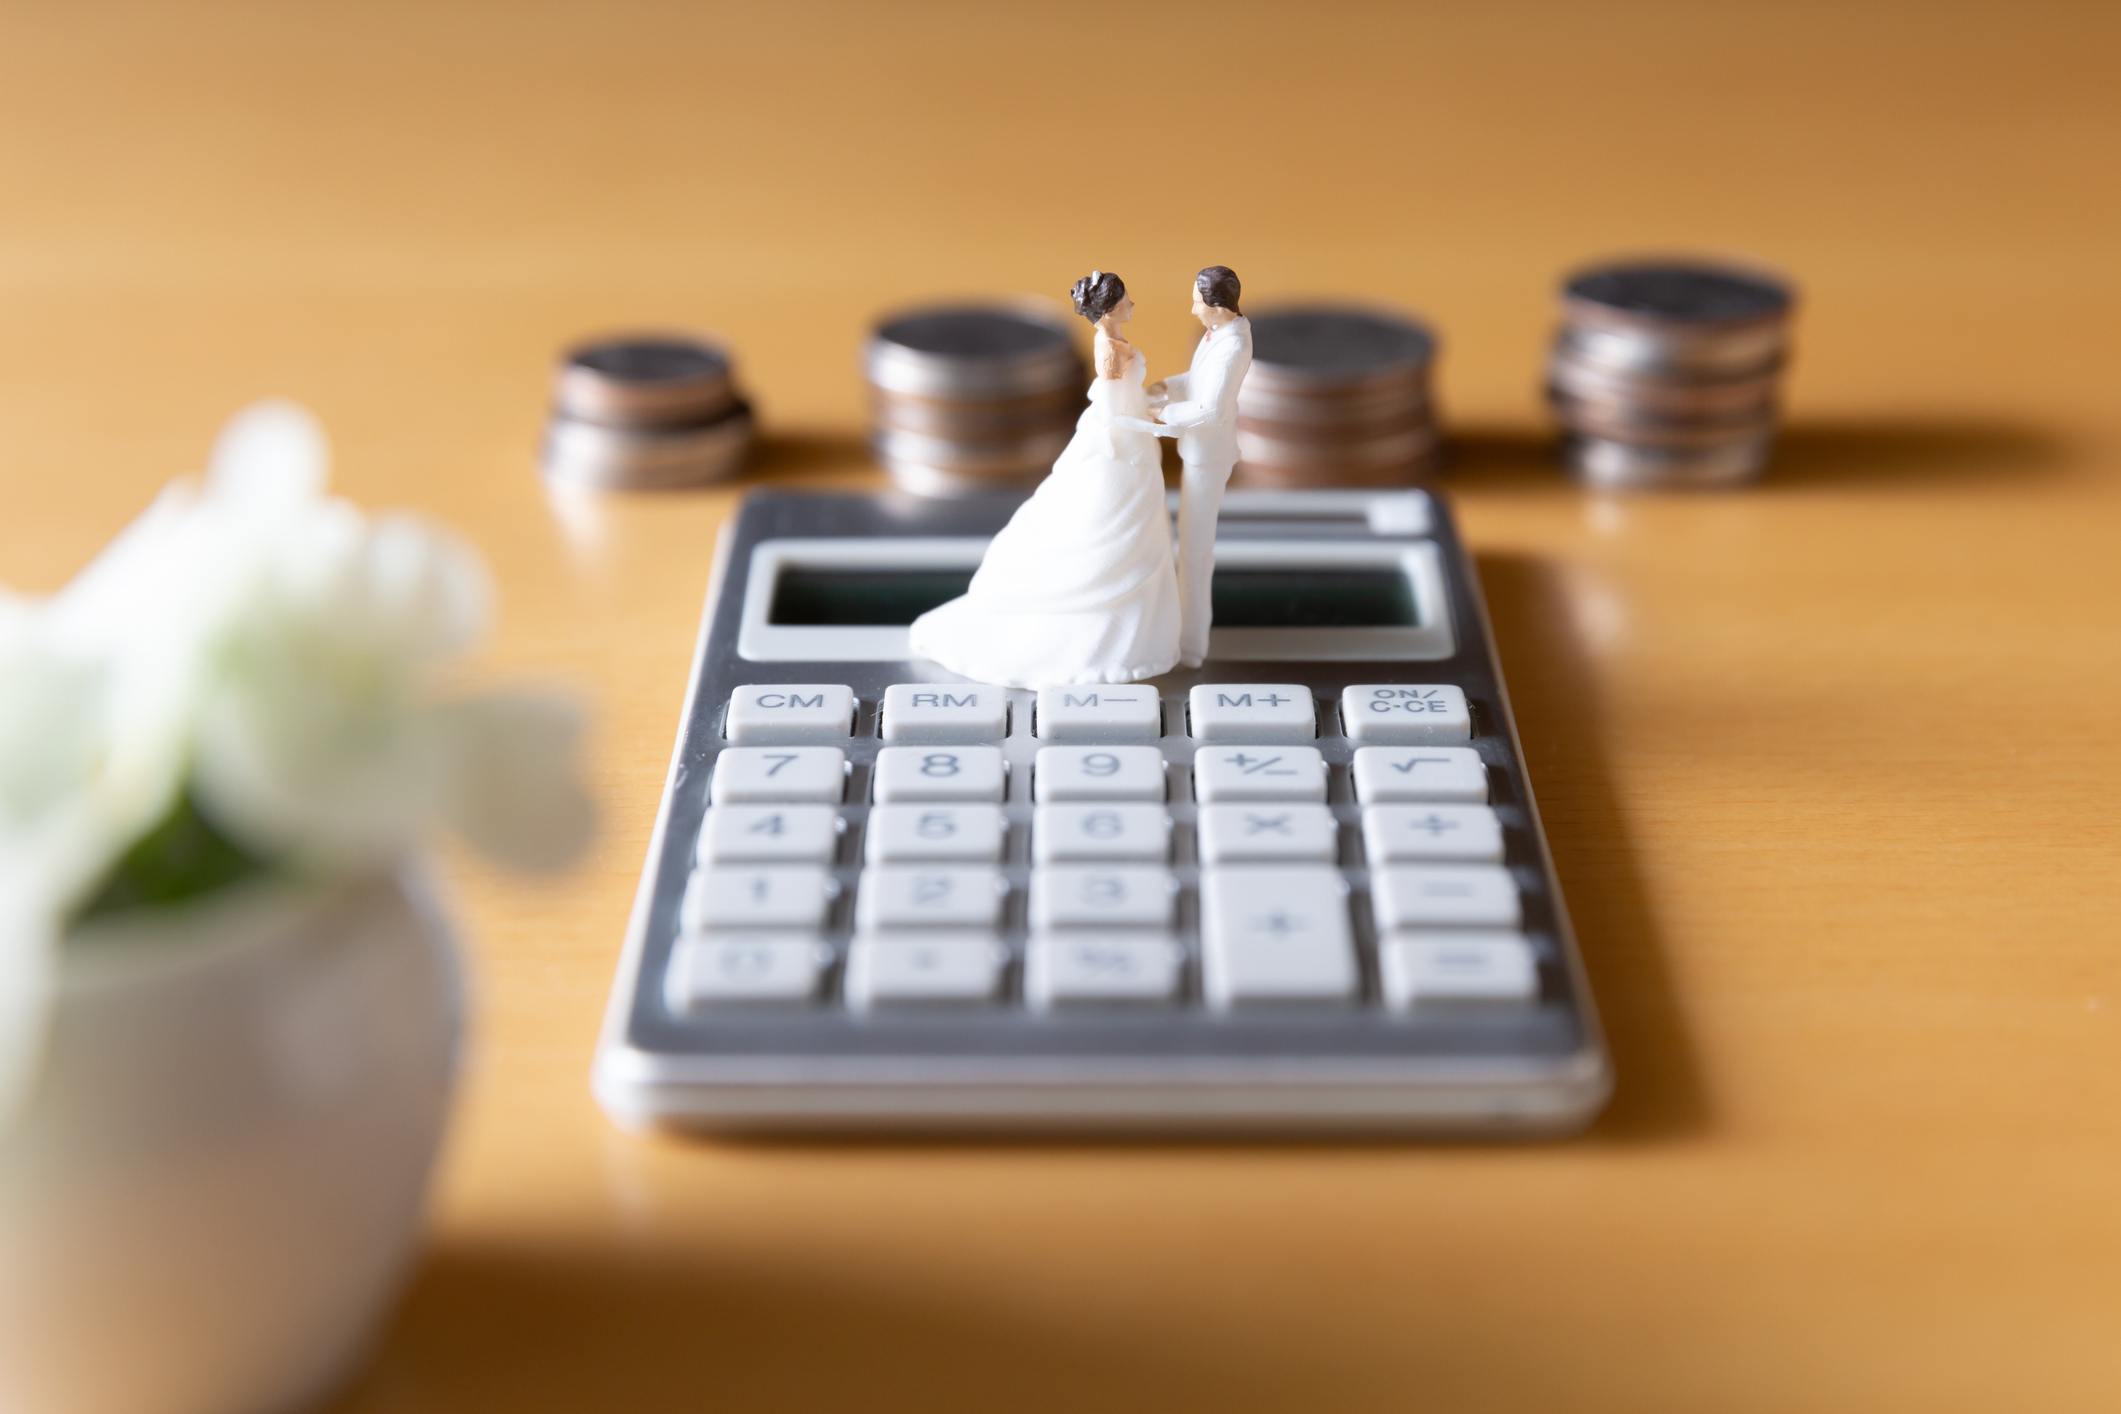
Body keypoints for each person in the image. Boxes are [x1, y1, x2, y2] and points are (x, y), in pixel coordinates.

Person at [908, 271, 1182, 688]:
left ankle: (1137, 641)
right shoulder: (1108, 347)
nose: (1132, 307)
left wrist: (1151, 403)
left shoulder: (1116, 342)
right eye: (1125, 301)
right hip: (1118, 446)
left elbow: (1124, 400)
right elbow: (1111, 410)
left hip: (1131, 445)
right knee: (1115, 532)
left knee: (1140, 534)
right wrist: (1155, 425)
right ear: (1110, 308)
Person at [1149, 266, 1252, 667]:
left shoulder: (1232, 347)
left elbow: (1210, 407)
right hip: (1197, 450)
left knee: (1194, 551)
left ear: (1218, 306)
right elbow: (1197, 380)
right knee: (1189, 547)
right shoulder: (1219, 334)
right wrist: (1165, 387)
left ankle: (1190, 646)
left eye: (1197, 302)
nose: (1193, 310)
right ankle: (1183, 635)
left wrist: (1163, 413)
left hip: (1208, 455)